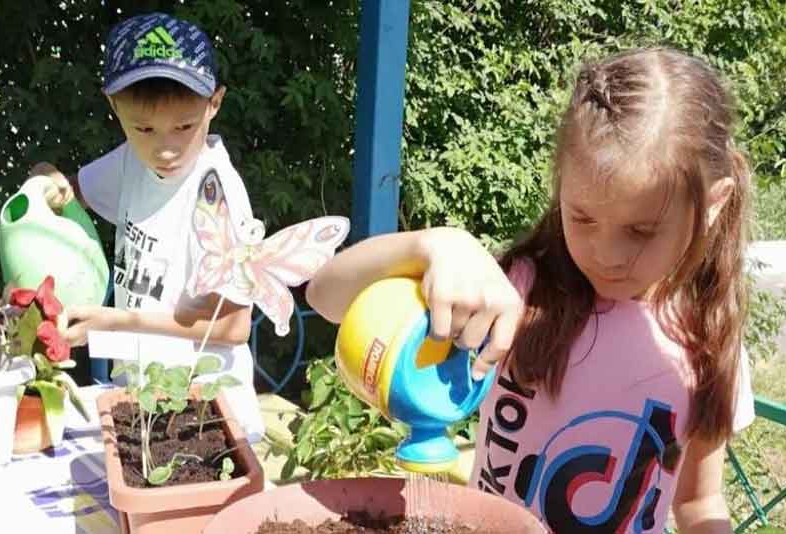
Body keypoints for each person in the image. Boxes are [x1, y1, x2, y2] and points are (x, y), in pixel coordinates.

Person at [306, 47, 755, 533]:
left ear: (712, 204)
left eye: (641, 231)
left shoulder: (709, 340)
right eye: (582, 217)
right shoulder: (516, 293)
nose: (605, 253)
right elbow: (326, 297)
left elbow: (698, 502)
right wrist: (429, 245)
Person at [29, 12, 264, 442]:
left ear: (214, 103)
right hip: (141, 405)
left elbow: (232, 326)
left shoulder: (217, 193)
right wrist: (45, 185)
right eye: (143, 128)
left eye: (184, 126)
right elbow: (71, 192)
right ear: (113, 106)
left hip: (210, 416)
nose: (165, 149)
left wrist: (116, 321)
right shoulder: (130, 161)